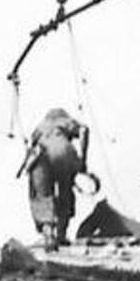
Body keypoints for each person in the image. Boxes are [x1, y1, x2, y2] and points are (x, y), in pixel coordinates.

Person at [24, 107, 91, 249]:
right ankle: (61, 234)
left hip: (38, 156)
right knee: (65, 191)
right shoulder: (66, 121)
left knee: (41, 195)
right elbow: (84, 130)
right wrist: (83, 160)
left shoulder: (40, 126)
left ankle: (48, 234)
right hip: (63, 152)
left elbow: (31, 146)